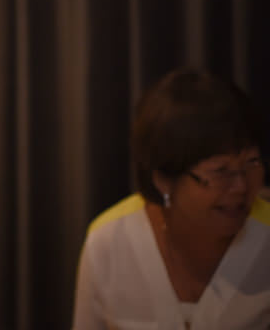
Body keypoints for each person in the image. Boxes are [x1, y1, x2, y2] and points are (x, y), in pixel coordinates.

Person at [72, 68, 269, 330]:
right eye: (221, 171)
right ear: (163, 179)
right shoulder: (109, 242)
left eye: (251, 163)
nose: (241, 186)